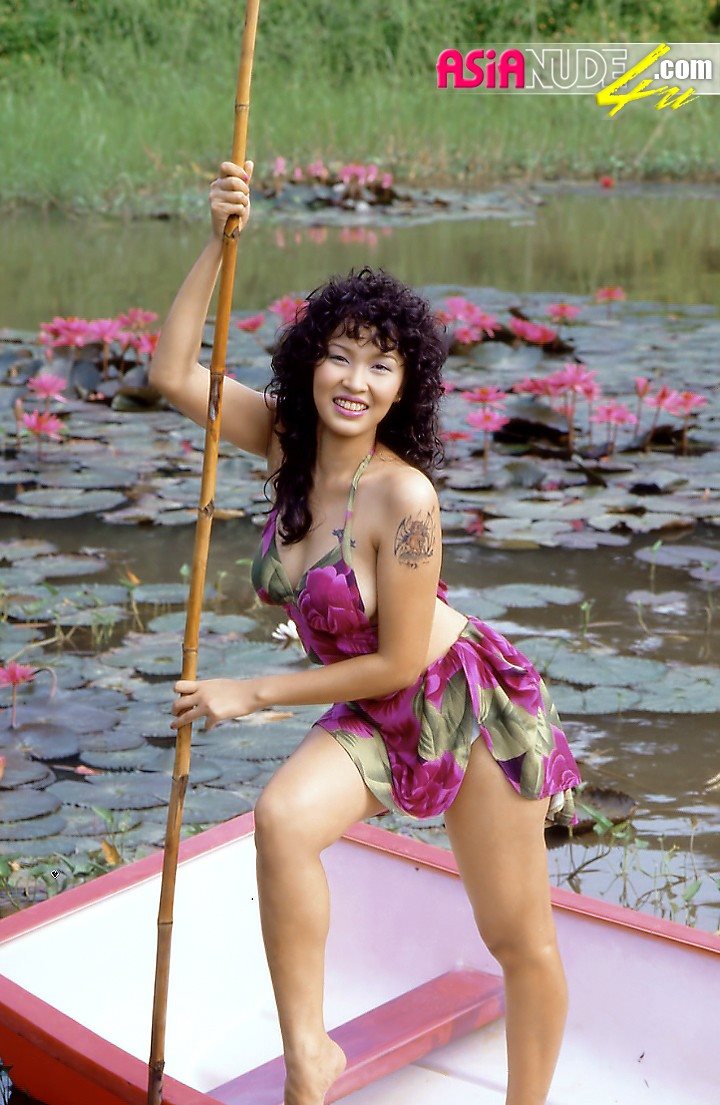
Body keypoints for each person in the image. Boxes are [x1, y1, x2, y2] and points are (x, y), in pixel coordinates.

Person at [151, 160, 584, 1105]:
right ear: (310, 361)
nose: (354, 380)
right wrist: (217, 241)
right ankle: (310, 1056)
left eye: (380, 365)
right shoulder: (286, 443)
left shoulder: (405, 497)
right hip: (375, 704)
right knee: (281, 821)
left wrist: (252, 691)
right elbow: (172, 373)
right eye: (340, 355)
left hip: (462, 707)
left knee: (517, 937)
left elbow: (395, 660)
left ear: (402, 390)